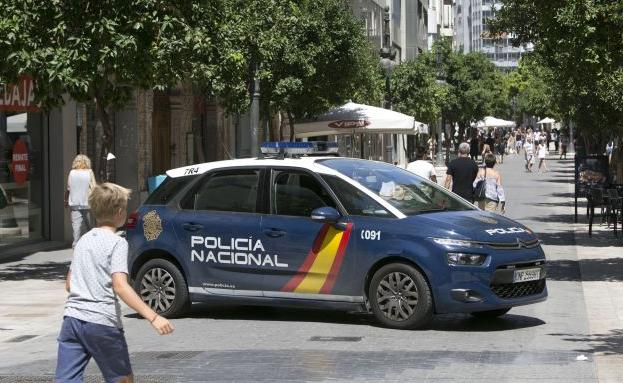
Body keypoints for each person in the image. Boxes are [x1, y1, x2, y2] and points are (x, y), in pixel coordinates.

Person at [55, 182, 174, 383]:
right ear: (120, 212)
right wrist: (153, 317)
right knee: (121, 378)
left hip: (72, 320)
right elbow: (120, 285)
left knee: (66, 379)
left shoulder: (83, 240)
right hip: (102, 323)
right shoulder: (118, 243)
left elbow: (69, 284)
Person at [65, 154, 97, 248]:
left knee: (76, 227)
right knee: (89, 226)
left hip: (74, 203)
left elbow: (68, 188)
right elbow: (94, 187)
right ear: (87, 162)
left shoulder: (72, 172)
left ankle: (75, 246)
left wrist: (65, 200)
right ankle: (91, 246)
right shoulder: (89, 172)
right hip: (87, 203)